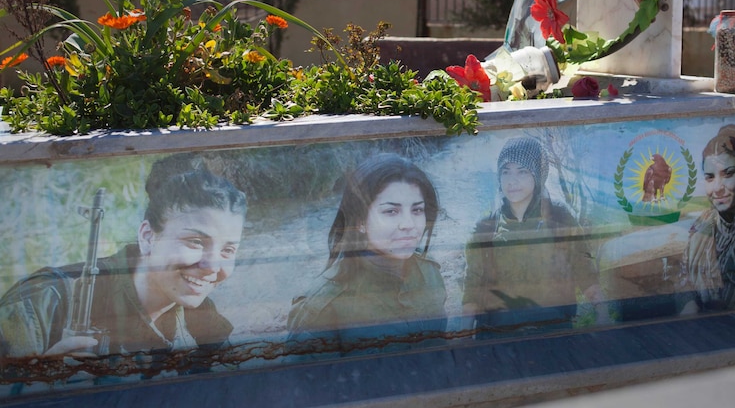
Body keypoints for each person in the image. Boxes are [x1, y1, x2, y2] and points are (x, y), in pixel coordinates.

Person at [0, 154, 247, 364]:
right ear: (148, 237)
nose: (213, 266)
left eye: (227, 250)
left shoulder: (201, 317)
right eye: (195, 242)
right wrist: (39, 382)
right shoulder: (44, 301)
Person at [286, 154, 447, 357]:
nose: (408, 224)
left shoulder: (429, 273)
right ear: (360, 220)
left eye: (417, 210)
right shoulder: (323, 305)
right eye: (391, 212)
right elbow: (305, 384)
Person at [461, 136, 600, 337]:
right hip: (498, 334)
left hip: (553, 332)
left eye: (522, 171)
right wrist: (463, 333)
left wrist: (602, 312)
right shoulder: (486, 226)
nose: (512, 181)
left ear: (537, 175)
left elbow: (584, 270)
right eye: (506, 172)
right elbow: (472, 284)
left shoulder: (560, 217)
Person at [678, 124, 735, 312]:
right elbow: (684, 282)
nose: (718, 187)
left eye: (728, 174)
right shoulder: (702, 225)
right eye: (710, 177)